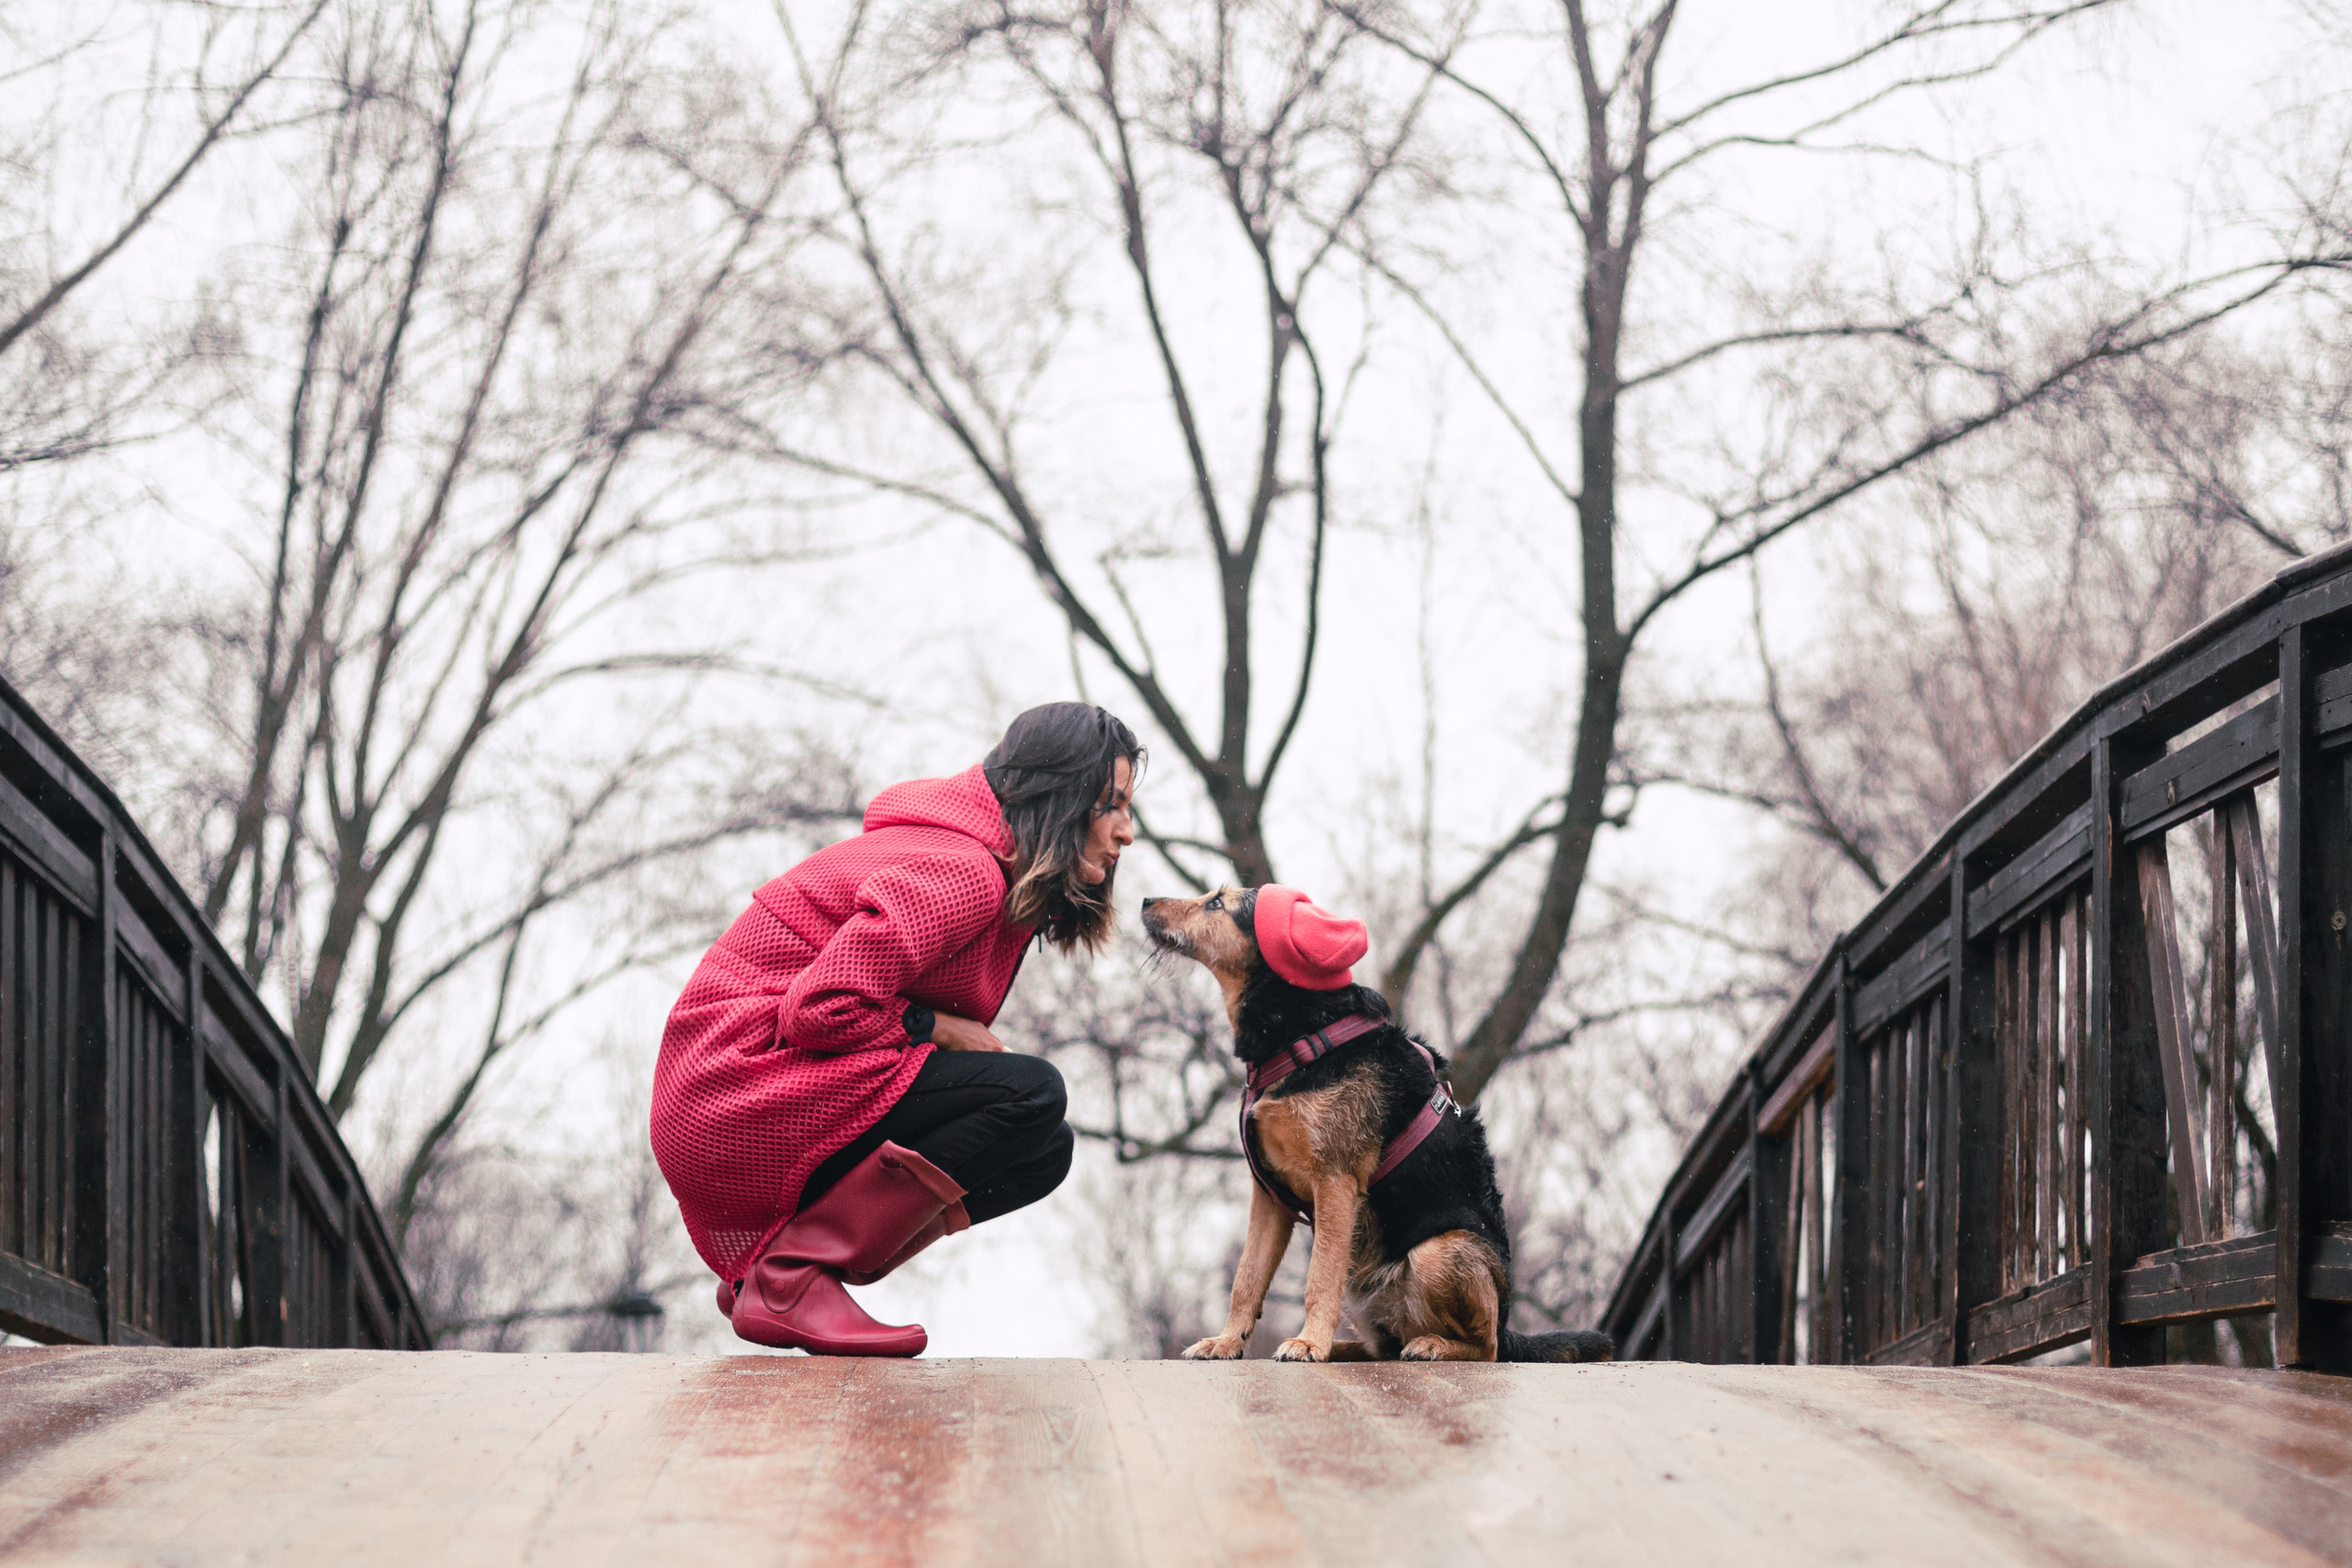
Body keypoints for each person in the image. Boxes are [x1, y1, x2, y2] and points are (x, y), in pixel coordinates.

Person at [650, 703, 1140, 1355]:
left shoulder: (982, 865)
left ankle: (782, 1270)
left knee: (1042, 1149)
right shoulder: (965, 869)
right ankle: (789, 1276)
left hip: (738, 1089)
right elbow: (820, 1008)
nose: (1126, 831)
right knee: (1029, 1096)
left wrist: (933, 1029)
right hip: (730, 1085)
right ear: (1060, 799)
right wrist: (938, 1028)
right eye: (1110, 805)